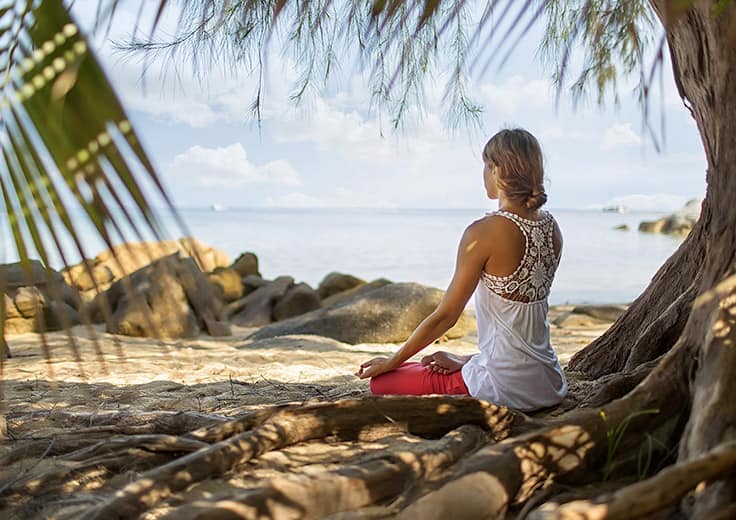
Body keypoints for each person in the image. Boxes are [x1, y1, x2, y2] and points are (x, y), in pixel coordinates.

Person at [355, 128, 567, 411]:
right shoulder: (552, 229)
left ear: (497, 169)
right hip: (548, 382)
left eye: (485, 165)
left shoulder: (483, 232)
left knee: (382, 383)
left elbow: (446, 317)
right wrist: (466, 360)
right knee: (435, 365)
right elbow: (521, 330)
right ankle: (469, 366)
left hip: (505, 388)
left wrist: (392, 362)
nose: (483, 174)